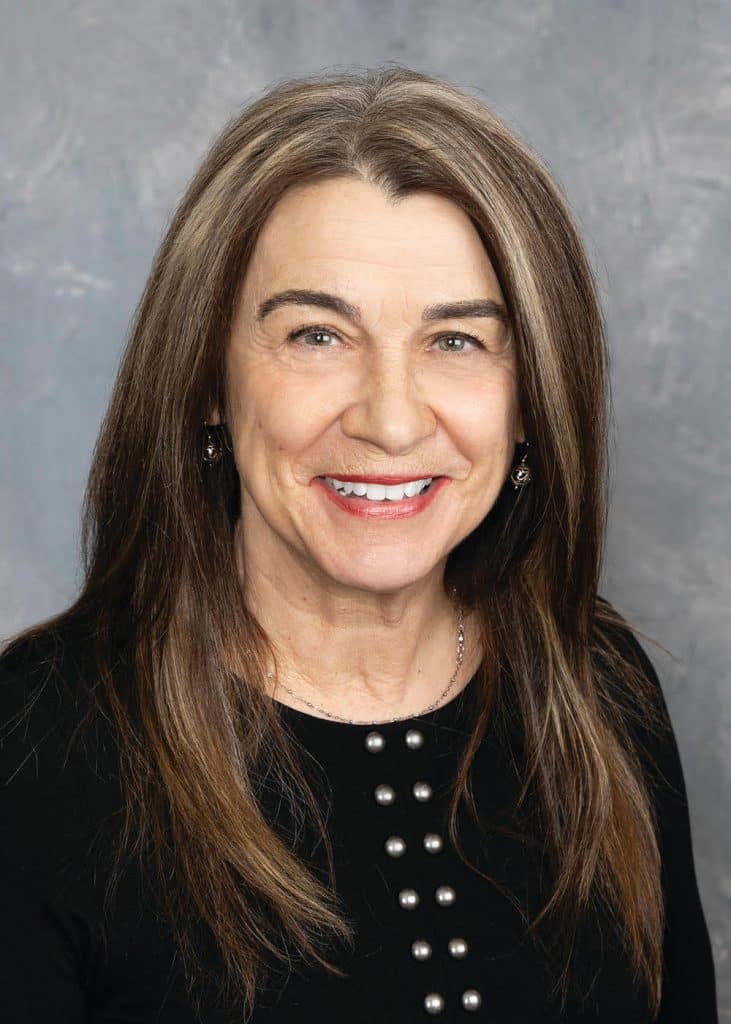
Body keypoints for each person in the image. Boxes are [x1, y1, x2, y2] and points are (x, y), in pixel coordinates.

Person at [0, 66, 718, 1023]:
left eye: (456, 342)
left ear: (532, 397)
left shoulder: (598, 690)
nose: (388, 420)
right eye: (315, 336)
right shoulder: (34, 742)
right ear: (209, 378)